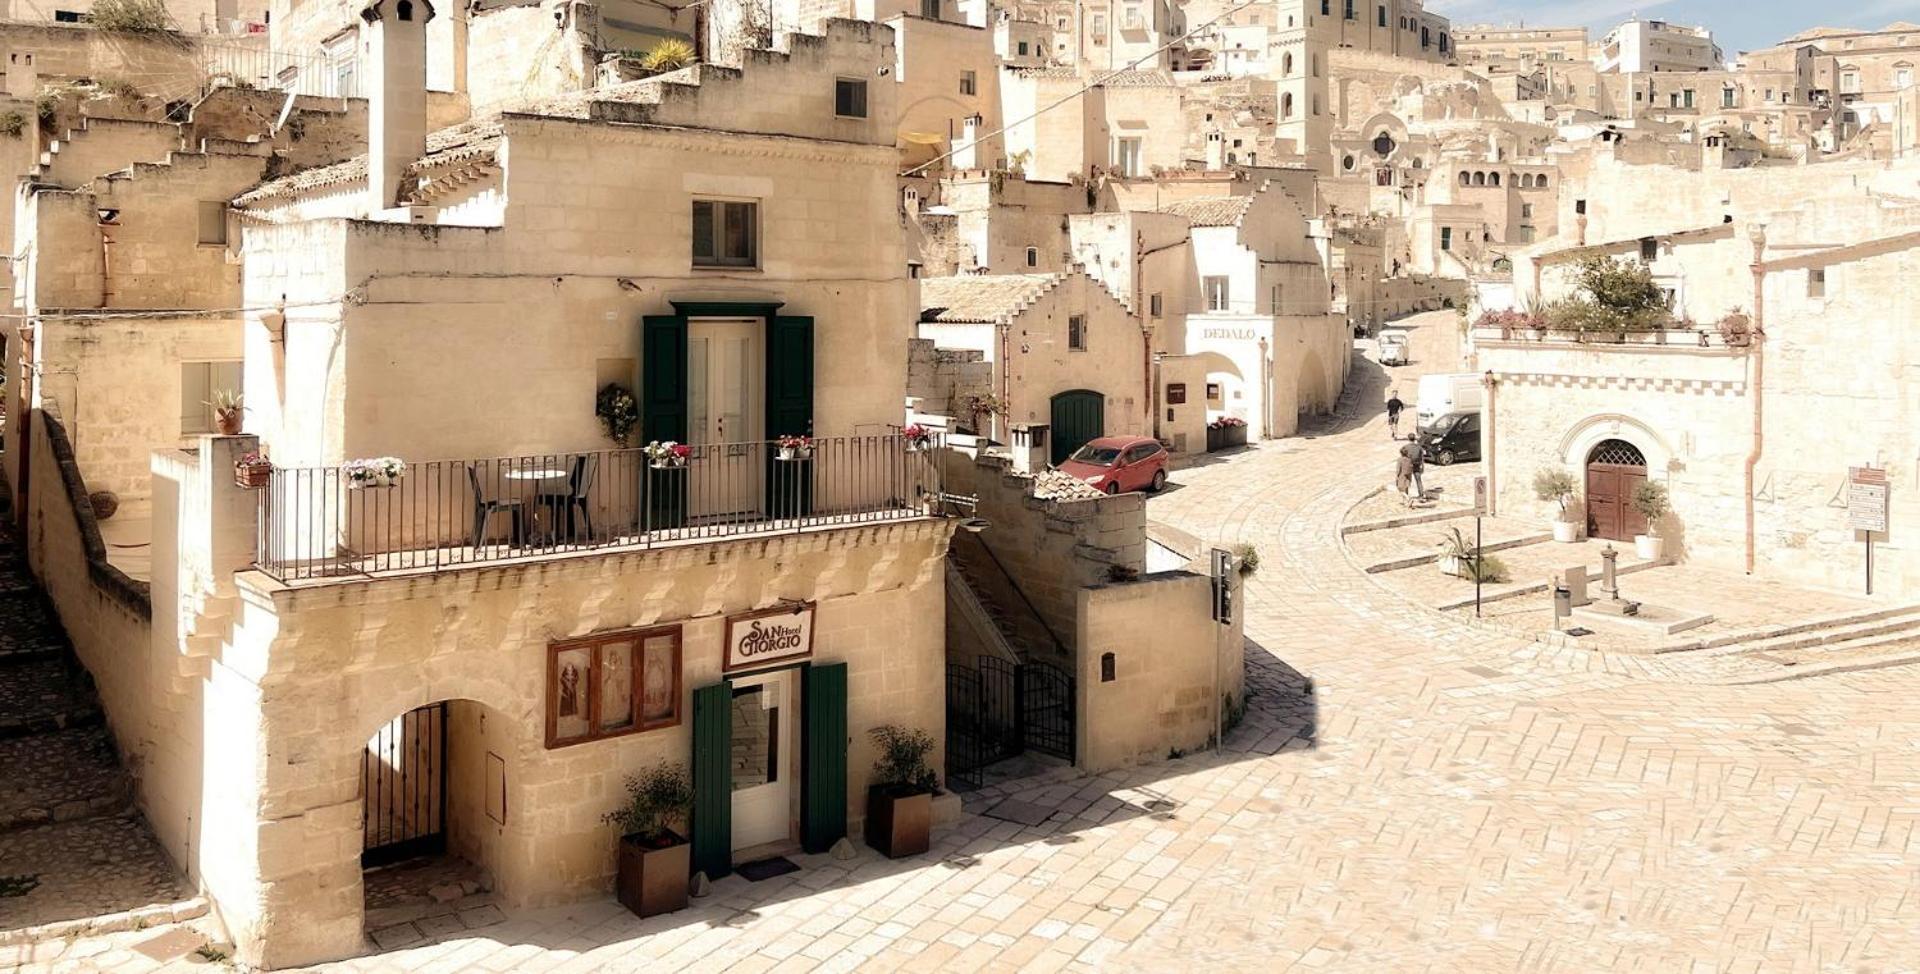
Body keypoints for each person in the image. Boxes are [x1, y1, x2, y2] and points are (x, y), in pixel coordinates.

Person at [1400, 438, 1426, 503]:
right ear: (1414, 439)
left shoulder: (1405, 447)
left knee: (1406, 480)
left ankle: (1406, 497)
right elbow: (1422, 458)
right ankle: (1421, 495)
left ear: (1408, 439)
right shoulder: (1419, 447)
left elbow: (1403, 458)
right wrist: (1423, 466)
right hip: (1417, 465)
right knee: (1418, 481)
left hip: (1408, 466)